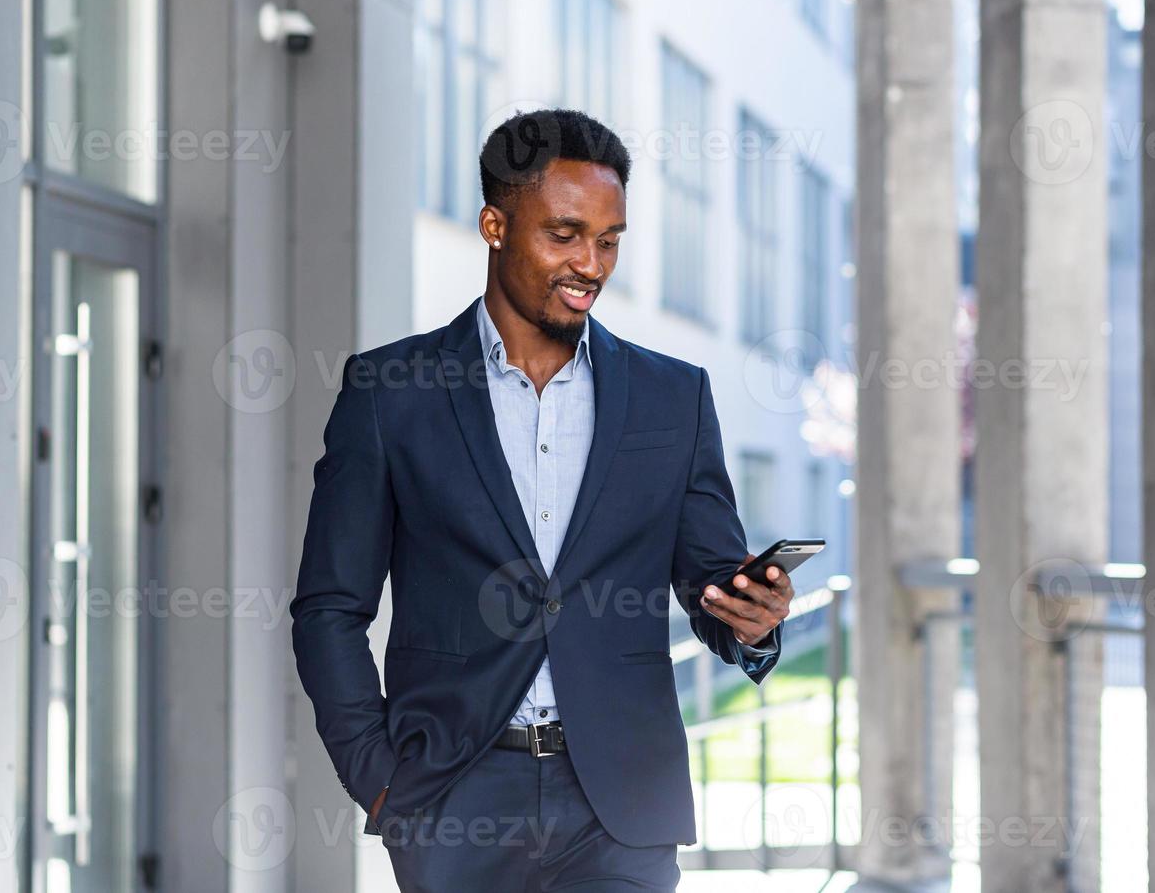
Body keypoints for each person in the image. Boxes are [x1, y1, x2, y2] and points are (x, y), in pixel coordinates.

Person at [291, 109, 794, 892]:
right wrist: (379, 779)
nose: (590, 263)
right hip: (453, 801)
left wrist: (752, 620)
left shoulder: (675, 398)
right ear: (495, 224)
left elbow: (712, 586)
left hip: (622, 807)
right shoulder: (390, 393)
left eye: (609, 239)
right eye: (564, 235)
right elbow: (328, 608)